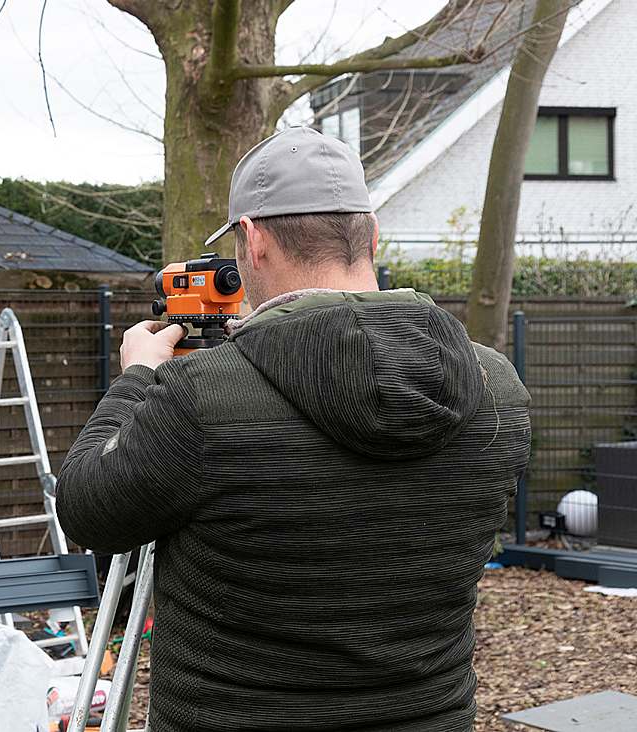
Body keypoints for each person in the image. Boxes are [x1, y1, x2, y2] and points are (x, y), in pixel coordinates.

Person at [56, 127, 530, 731]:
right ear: (372, 235)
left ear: (253, 242)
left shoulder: (198, 398)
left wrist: (136, 383)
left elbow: (87, 509)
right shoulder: (498, 391)